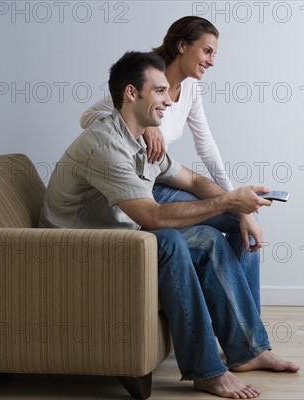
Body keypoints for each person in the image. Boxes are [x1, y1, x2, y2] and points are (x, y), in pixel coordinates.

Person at [39, 51, 298, 399]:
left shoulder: (140, 137)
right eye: (160, 92)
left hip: (115, 233)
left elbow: (190, 180)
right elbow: (153, 217)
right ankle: (207, 372)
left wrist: (239, 206)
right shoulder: (106, 145)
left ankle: (248, 349)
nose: (168, 101)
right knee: (174, 241)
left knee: (221, 229)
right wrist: (229, 201)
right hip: (78, 247)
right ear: (132, 93)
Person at [79, 16, 264, 310]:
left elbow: (206, 145)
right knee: (221, 225)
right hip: (143, 185)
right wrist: (144, 122)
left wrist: (233, 196)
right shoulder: (148, 79)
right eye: (207, 51)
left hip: (163, 176)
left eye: (215, 54)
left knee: (243, 221)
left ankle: (246, 322)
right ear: (181, 46)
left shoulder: (191, 90)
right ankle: (239, 324)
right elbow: (87, 117)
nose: (212, 61)